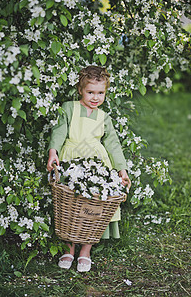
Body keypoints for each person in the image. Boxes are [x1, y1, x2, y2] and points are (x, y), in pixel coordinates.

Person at [47, 65, 131, 272]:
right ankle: (68, 248)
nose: (95, 97)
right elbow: (59, 132)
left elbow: (113, 144)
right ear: (80, 90)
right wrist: (53, 152)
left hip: (97, 162)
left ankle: (86, 249)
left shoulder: (104, 117)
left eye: (100, 92)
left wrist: (121, 170)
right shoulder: (69, 108)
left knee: (94, 205)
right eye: (90, 92)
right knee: (70, 203)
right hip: (72, 157)